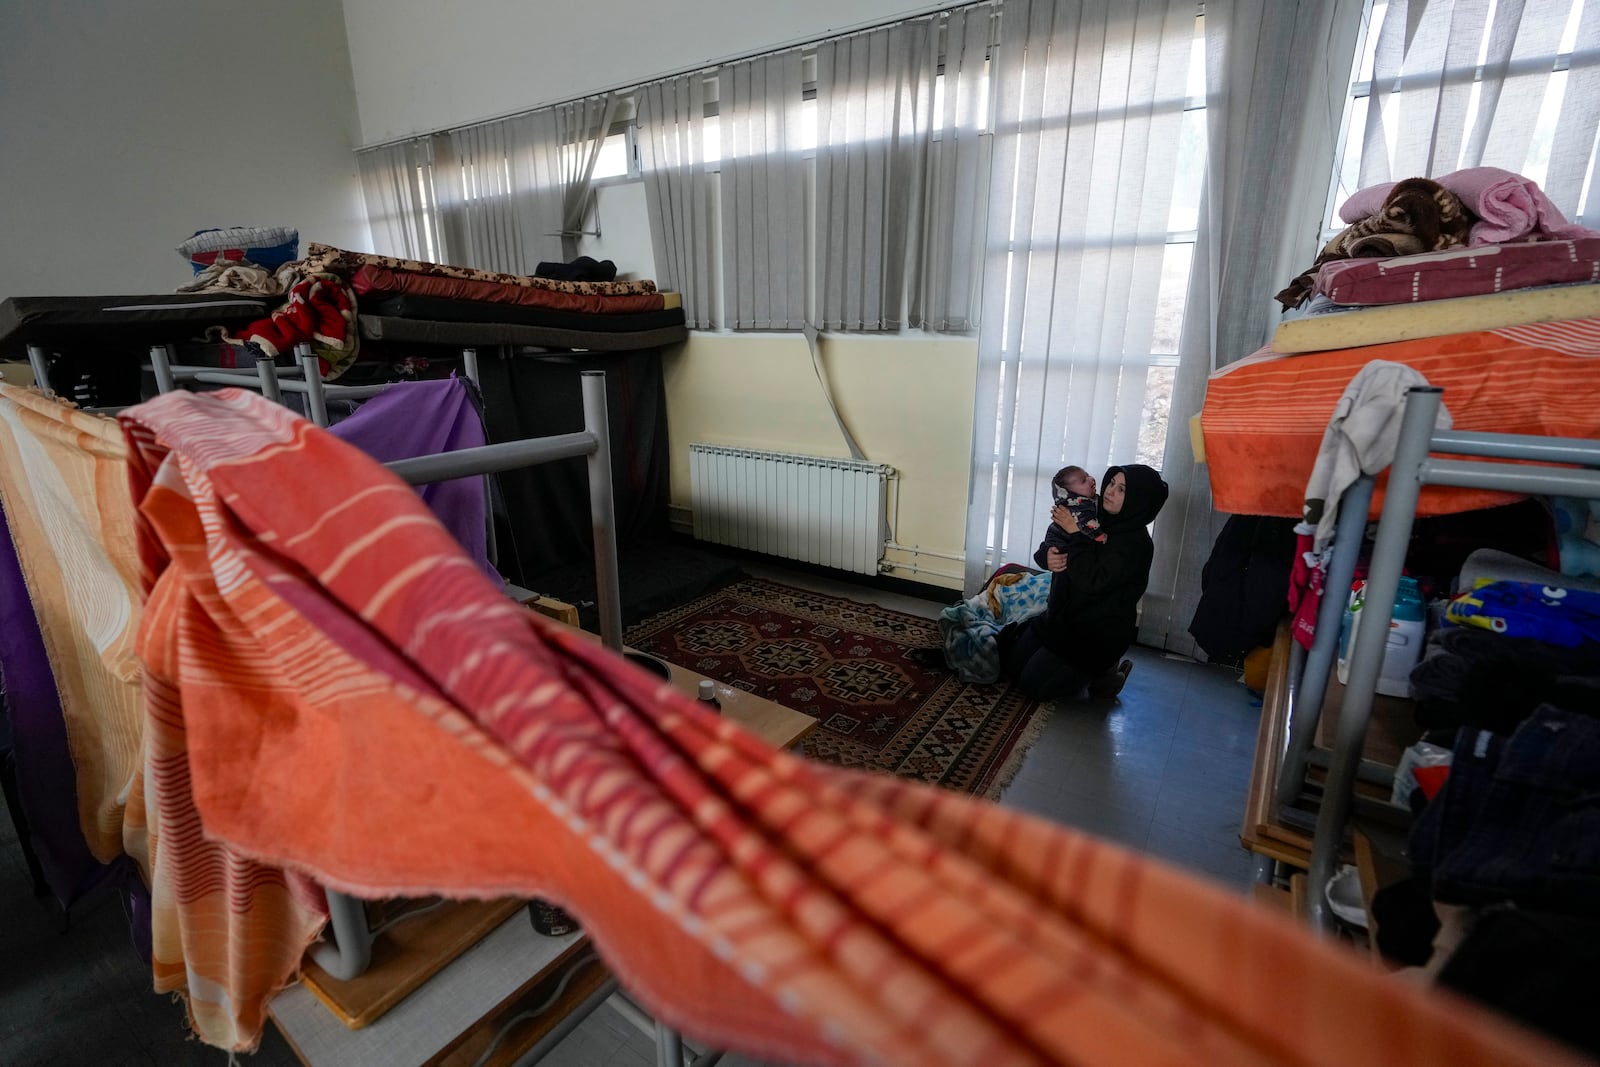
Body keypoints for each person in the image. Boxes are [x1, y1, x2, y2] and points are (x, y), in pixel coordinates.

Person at [998, 464, 1169, 701]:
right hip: (1060, 618)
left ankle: (1106, 674)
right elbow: (1053, 539)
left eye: (1122, 490)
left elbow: (1091, 580)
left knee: (1034, 686)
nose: (1110, 491)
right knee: (1010, 666)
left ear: (1138, 501)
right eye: (1111, 483)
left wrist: (1077, 533)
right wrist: (1047, 556)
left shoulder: (1134, 544)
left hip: (1093, 636)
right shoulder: (1090, 511)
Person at [1034, 465, 1106, 574]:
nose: (1091, 479)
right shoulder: (1077, 505)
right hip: (1063, 551)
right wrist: (1046, 556)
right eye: (1083, 480)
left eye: (1088, 475)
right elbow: (1086, 522)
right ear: (1069, 492)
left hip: (1082, 572)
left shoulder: (1094, 503)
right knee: (1056, 550)